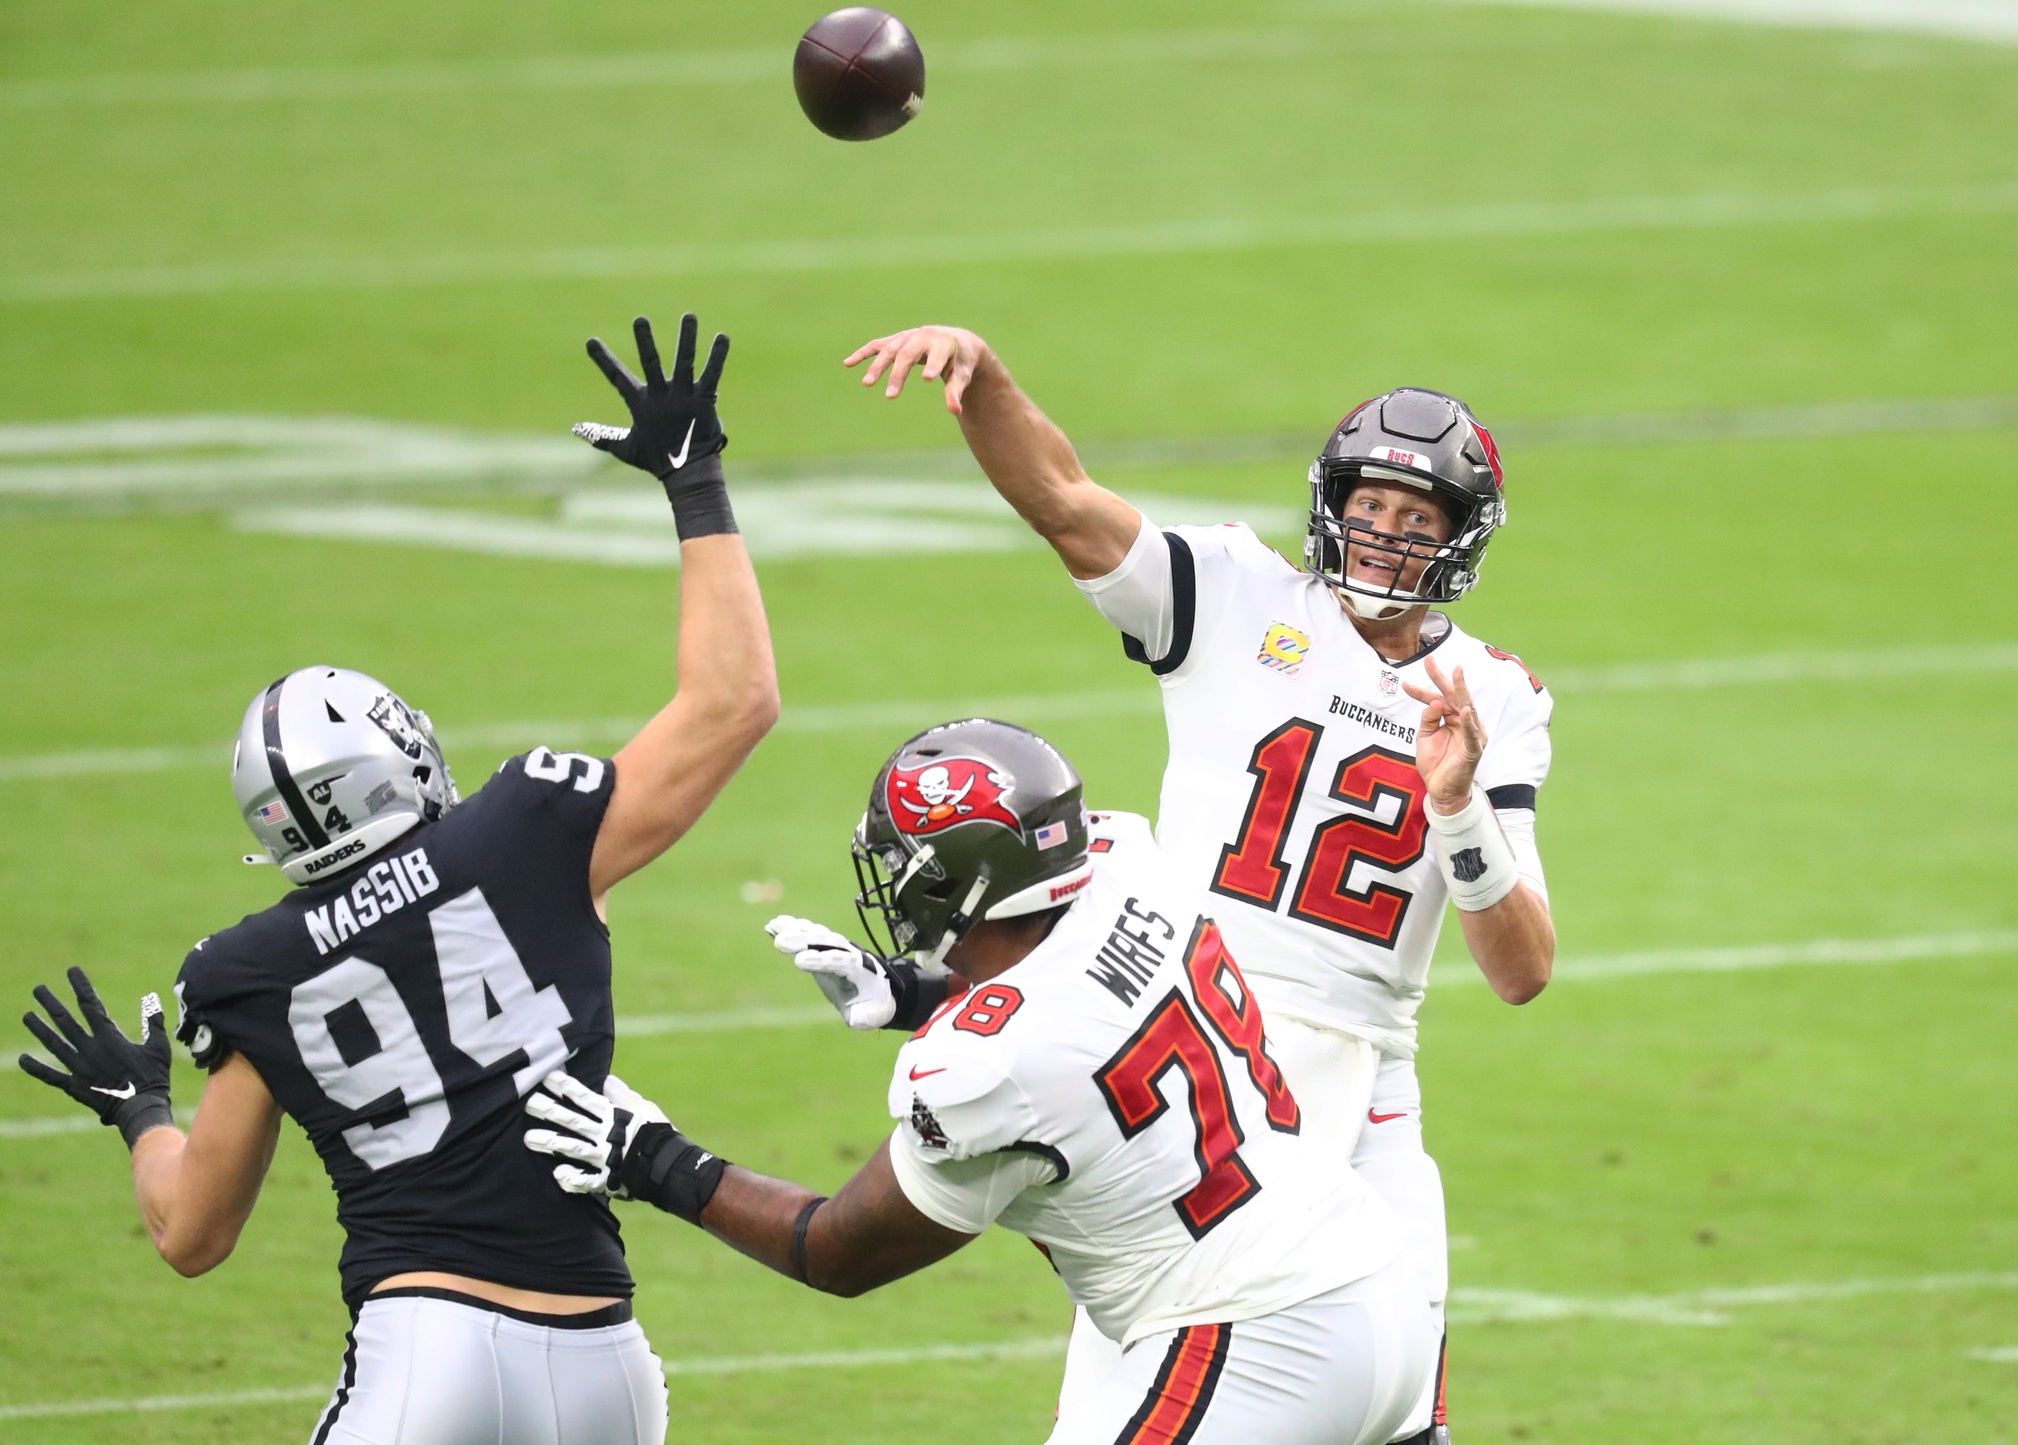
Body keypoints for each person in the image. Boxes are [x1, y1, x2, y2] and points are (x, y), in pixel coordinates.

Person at [17, 313, 777, 1445]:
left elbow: (190, 1233)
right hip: (607, 1361)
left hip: (427, 1349)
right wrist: (694, 481)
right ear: (401, 758)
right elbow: (734, 702)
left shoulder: (251, 969)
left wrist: (139, 1113)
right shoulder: (525, 831)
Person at [812, 326, 1560, 1444]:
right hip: (1187, 1021)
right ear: (1330, 503)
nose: (1383, 533)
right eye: (1369, 505)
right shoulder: (1234, 593)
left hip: (1366, 1074)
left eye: (1418, 519)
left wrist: (1452, 805)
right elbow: (1062, 499)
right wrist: (984, 376)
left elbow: (1521, 970)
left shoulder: (1490, 694)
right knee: (1153, 1380)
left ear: (1459, 539)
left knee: (1401, 1419)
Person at [523, 719, 1435, 1445]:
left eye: (904, 864)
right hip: (1379, 1285)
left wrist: (652, 1159)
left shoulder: (980, 1068)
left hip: (1260, 1336)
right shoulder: (1127, 864)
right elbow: (1086, 1003)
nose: (890, 879)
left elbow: (836, 1250)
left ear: (959, 882)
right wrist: (921, 991)